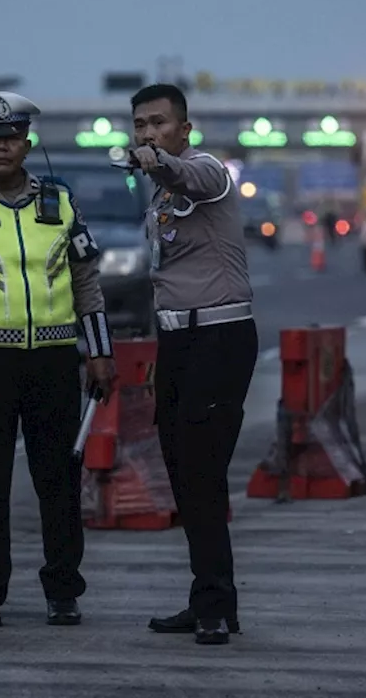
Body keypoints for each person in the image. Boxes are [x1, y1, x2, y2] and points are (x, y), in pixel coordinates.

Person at [0, 91, 117, 629]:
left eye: (11, 138)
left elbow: (87, 285)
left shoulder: (61, 202)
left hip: (54, 362)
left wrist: (98, 353)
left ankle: (63, 591)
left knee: (59, 481)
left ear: (27, 144)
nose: (2, 147)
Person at [127, 83, 257, 646]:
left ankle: (213, 608)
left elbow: (194, 178)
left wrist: (161, 164)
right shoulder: (157, 195)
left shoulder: (205, 172)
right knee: (184, 475)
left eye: (158, 122)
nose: (148, 133)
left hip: (220, 338)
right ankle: (209, 597)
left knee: (202, 474)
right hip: (178, 342)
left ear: (185, 129)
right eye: (140, 125)